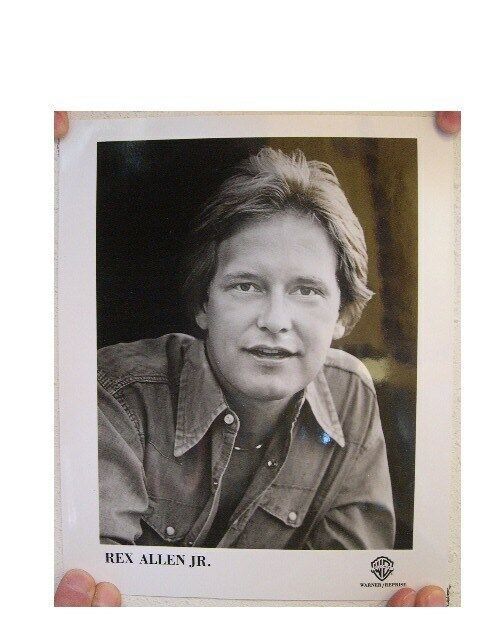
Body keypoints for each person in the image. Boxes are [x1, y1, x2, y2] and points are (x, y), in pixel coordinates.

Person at [55, 111, 458, 606]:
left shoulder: (350, 394)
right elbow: (102, 586)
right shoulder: (119, 395)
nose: (275, 320)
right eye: (246, 286)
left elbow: (352, 588)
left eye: (307, 290)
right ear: (204, 304)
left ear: (342, 315)